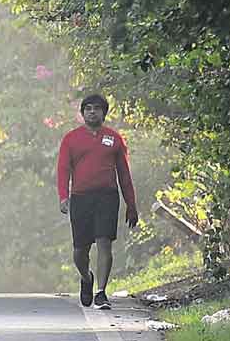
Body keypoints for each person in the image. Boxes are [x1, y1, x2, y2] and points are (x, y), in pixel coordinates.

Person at [56, 94, 138, 310]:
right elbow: (63, 170)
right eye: (88, 108)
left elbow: (124, 174)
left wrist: (131, 204)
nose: (92, 112)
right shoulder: (71, 139)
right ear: (83, 113)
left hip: (107, 197)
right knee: (80, 251)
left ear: (104, 113)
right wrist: (63, 196)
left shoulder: (114, 139)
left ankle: (101, 292)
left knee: (104, 242)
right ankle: (86, 277)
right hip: (81, 198)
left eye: (97, 108)